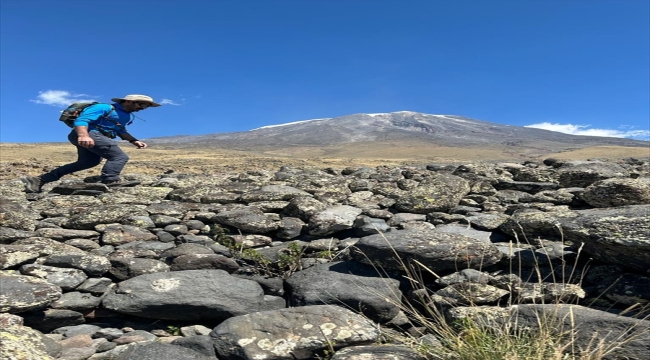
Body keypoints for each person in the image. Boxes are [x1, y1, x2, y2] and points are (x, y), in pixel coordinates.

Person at [21, 94, 162, 193]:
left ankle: (39, 179)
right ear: (129, 101)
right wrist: (83, 135)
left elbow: (120, 130)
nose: (143, 108)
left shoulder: (126, 115)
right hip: (89, 134)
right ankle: (111, 181)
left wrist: (134, 140)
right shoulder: (104, 107)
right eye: (142, 104)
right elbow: (81, 120)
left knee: (88, 162)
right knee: (119, 157)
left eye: (147, 106)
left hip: (94, 136)